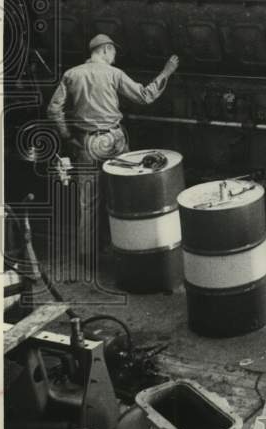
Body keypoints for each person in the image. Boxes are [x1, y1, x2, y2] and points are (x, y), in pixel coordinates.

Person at [47, 34, 179, 273]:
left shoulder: (71, 75)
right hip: (114, 142)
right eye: (113, 52)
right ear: (106, 50)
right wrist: (166, 71)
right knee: (124, 198)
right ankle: (131, 250)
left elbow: (53, 109)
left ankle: (87, 258)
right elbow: (145, 95)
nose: (114, 56)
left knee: (88, 203)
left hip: (86, 144)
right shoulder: (113, 74)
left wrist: (67, 137)